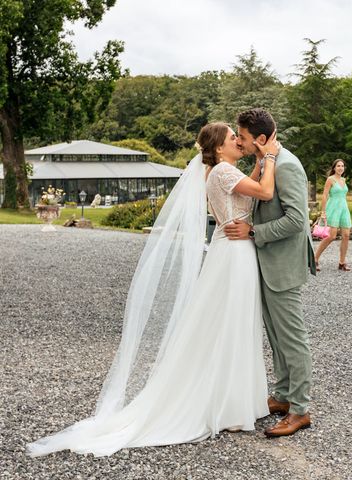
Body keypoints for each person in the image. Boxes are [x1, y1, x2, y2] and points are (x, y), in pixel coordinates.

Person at [27, 122, 280, 457]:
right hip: (233, 253)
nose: (238, 141)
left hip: (234, 249)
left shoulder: (224, 170)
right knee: (229, 323)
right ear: (218, 148)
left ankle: (233, 399)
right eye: (233, 138)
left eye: (239, 137)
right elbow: (264, 192)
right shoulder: (222, 171)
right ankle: (227, 406)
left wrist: (262, 158)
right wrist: (272, 158)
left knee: (232, 322)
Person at [224, 108, 315, 438]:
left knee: (293, 338)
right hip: (266, 263)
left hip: (283, 265)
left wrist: (253, 233)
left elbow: (296, 221)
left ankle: (301, 409)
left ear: (261, 138)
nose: (240, 142)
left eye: (244, 138)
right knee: (276, 337)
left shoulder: (287, 165)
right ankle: (283, 395)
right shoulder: (265, 160)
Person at [314, 159, 352, 271]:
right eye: (338, 166)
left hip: (344, 209)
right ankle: (314, 258)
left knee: (346, 235)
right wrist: (323, 212)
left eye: (342, 166)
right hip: (333, 208)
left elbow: (343, 195)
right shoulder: (330, 180)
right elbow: (325, 196)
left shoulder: (344, 180)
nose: (341, 168)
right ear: (334, 168)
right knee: (331, 236)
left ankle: (342, 262)